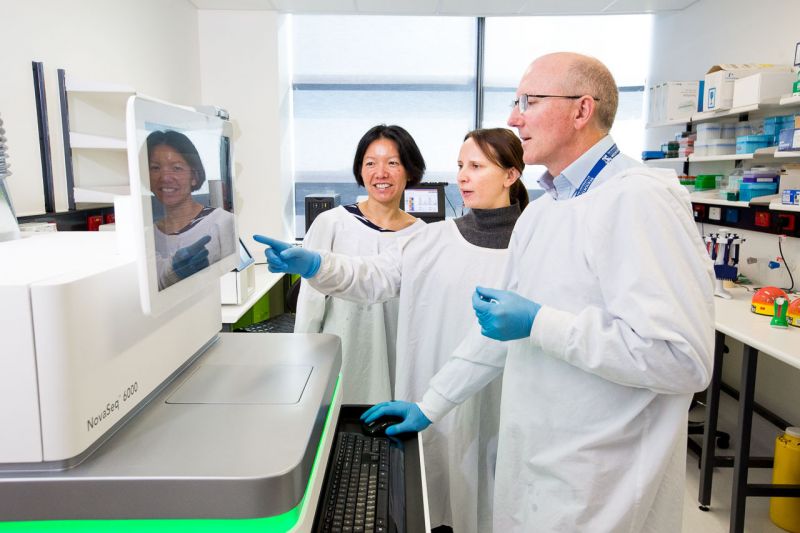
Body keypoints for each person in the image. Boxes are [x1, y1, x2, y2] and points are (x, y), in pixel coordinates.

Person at [363, 52, 716, 532]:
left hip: (601, 479)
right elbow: (497, 330)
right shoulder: (545, 211)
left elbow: (680, 359)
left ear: (581, 110)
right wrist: (430, 404)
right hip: (535, 461)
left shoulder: (638, 198)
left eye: (530, 101)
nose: (513, 116)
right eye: (516, 101)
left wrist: (540, 322)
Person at [255, 127, 528, 532]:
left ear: (511, 175)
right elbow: (370, 276)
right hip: (437, 397)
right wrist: (315, 265)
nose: (462, 177)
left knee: (499, 500)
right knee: (440, 501)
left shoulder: (535, 243)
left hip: (510, 401)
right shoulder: (432, 240)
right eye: (459, 166)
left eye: (475, 166)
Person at [295, 124, 427, 405]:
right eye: (370, 163)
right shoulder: (332, 223)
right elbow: (310, 304)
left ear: (410, 170)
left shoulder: (423, 235)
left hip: (399, 358)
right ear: (360, 170)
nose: (381, 173)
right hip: (345, 353)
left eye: (393, 163)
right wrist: (302, 363)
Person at [147, 130, 235, 290]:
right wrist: (174, 271)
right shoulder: (148, 235)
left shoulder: (222, 221)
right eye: (155, 168)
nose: (165, 177)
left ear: (194, 176)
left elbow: (232, 285)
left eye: (176, 168)